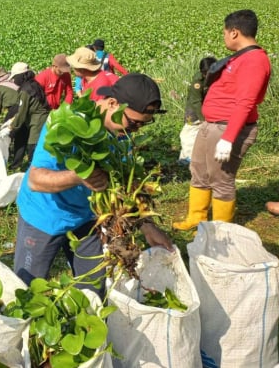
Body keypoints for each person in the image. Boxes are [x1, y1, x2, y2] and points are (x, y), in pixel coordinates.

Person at [13, 74, 173, 298]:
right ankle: (25, 330)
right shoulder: (66, 122)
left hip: (86, 217)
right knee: (28, 287)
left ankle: (88, 326)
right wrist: (79, 177)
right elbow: (36, 180)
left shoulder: (122, 135)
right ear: (112, 103)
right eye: (133, 122)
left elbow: (123, 188)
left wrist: (146, 225)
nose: (135, 130)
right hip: (45, 215)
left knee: (94, 286)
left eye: (142, 125)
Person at [173, 9, 271, 230]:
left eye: (225, 32)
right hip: (211, 125)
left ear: (234, 32)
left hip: (227, 128)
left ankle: (221, 229)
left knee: (221, 180)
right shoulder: (241, 58)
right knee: (198, 170)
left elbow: (246, 102)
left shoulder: (254, 61)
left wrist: (228, 138)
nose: (224, 36)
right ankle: (196, 217)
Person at [8, 62, 51, 168]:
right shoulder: (33, 83)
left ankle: (35, 169)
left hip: (38, 120)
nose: (14, 80)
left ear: (21, 76)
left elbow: (22, 112)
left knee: (33, 145)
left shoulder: (25, 90)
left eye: (15, 77)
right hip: (41, 117)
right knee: (38, 144)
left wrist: (12, 127)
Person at [178, 57, 217, 164]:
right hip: (194, 110)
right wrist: (203, 119)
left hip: (208, 107)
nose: (208, 75)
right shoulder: (197, 82)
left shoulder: (218, 76)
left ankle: (199, 158)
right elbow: (196, 102)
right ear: (202, 72)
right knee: (189, 133)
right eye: (205, 73)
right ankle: (186, 160)